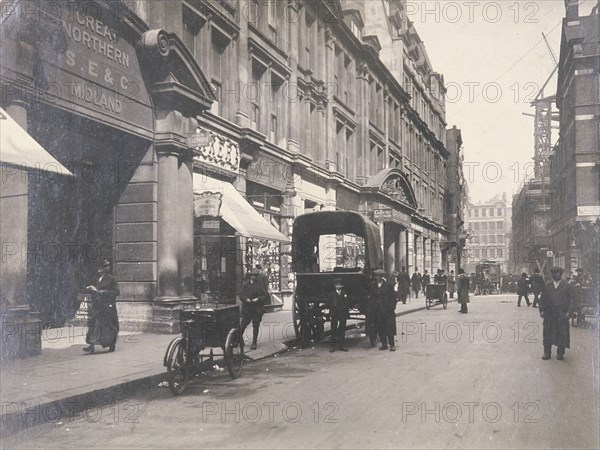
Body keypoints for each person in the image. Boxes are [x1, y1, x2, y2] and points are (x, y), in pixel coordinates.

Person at [83, 259, 120, 354]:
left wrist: (102, 292)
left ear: (105, 269)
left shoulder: (111, 279)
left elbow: (116, 292)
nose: (99, 270)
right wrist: (90, 289)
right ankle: (91, 345)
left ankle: (112, 344)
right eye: (98, 268)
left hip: (107, 306)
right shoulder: (96, 278)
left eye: (101, 268)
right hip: (97, 305)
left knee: (108, 326)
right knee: (94, 325)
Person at [539, 266, 573, 360]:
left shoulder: (566, 286)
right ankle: (547, 352)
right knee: (547, 333)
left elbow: (571, 301)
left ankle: (560, 353)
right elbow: (542, 299)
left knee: (562, 333)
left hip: (561, 314)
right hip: (549, 314)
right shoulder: (547, 285)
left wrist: (568, 313)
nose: (555, 275)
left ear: (561, 274)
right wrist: (542, 310)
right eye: (554, 273)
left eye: (557, 273)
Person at [240, 268, 269, 350]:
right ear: (249, 276)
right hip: (248, 307)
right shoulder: (245, 285)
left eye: (255, 275)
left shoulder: (260, 285)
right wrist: (246, 299)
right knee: (243, 324)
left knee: (255, 325)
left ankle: (254, 343)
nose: (253, 277)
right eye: (252, 275)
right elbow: (241, 295)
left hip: (257, 308)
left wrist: (258, 299)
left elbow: (265, 296)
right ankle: (238, 339)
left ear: (257, 277)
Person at [369, 269, 397, 351]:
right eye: (375, 276)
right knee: (380, 327)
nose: (376, 277)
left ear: (382, 277)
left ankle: (392, 344)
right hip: (377, 310)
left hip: (387, 310)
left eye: (378, 276)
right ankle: (384, 344)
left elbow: (393, 297)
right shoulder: (373, 285)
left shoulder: (388, 285)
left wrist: (392, 307)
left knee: (389, 327)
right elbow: (371, 298)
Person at [328, 278, 350, 352]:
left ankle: (342, 345)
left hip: (342, 313)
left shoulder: (344, 293)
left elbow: (347, 302)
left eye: (340, 285)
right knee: (333, 328)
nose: (338, 286)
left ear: (342, 286)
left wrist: (344, 307)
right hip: (334, 313)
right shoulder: (331, 294)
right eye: (337, 285)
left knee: (342, 329)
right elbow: (329, 303)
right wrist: (332, 308)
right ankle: (333, 346)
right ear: (334, 286)